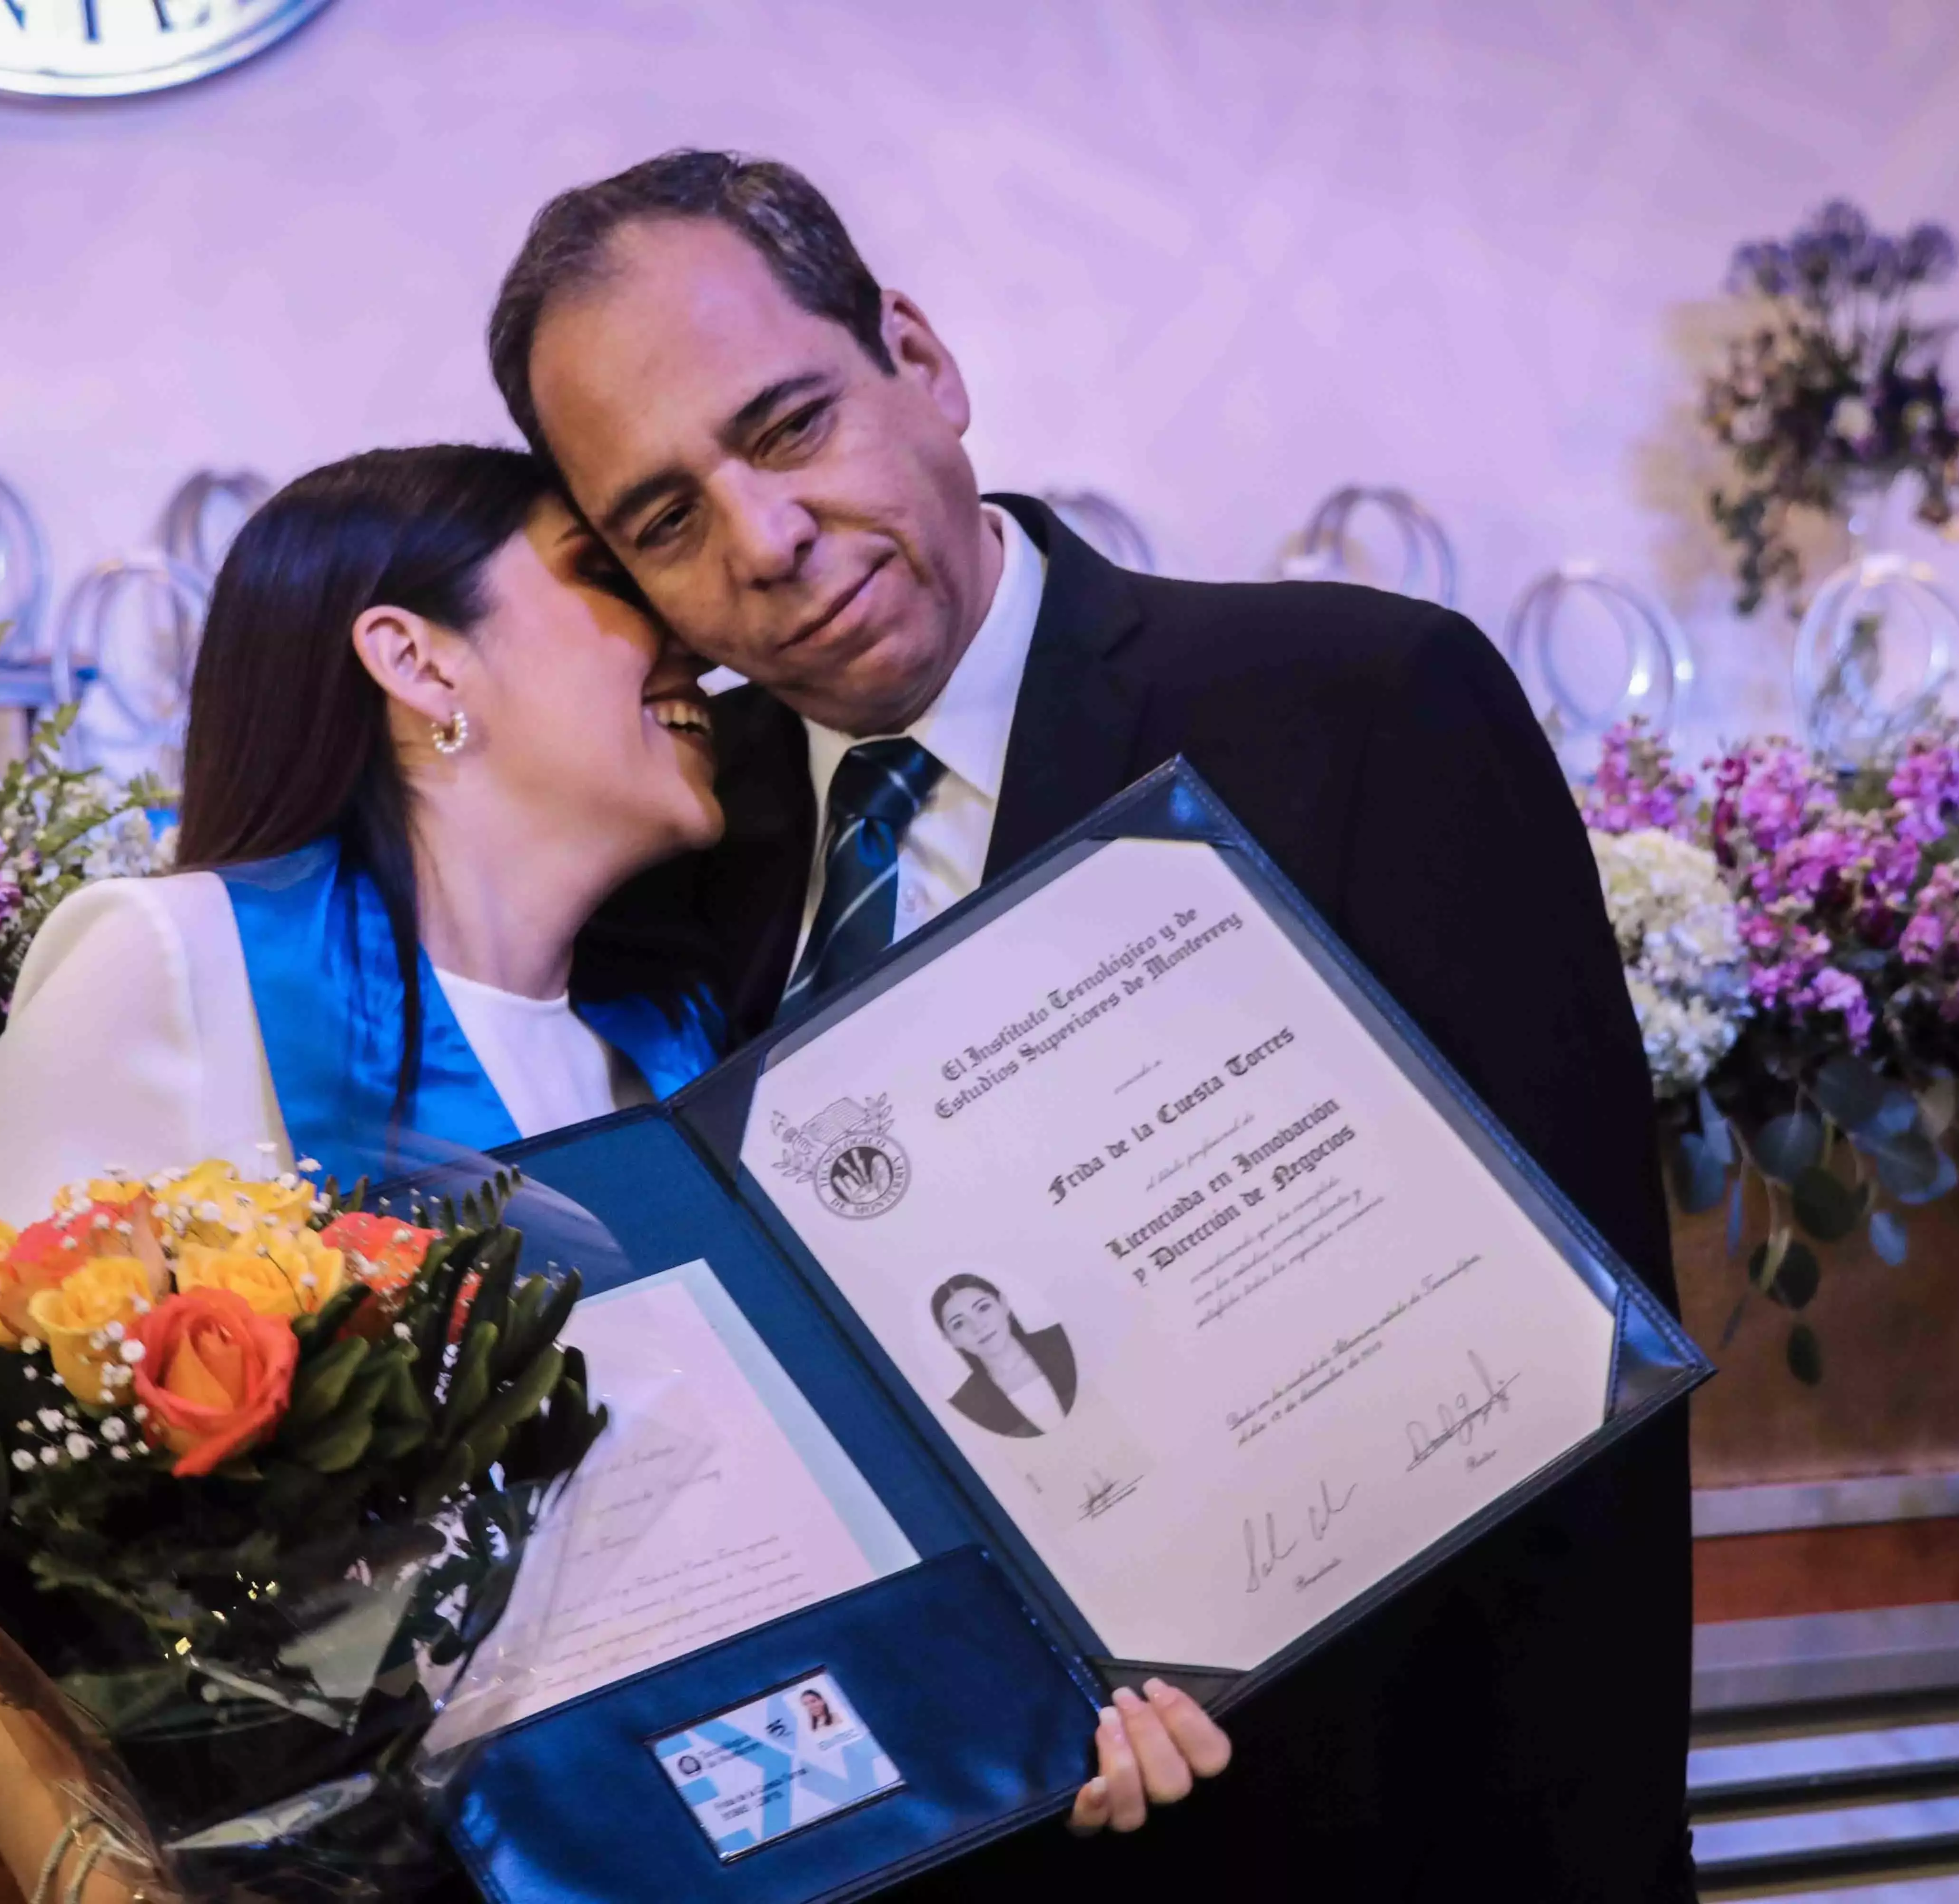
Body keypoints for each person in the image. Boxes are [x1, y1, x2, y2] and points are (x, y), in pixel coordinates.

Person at [493, 152, 1692, 1897]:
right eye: (664, 517)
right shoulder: (671, 865)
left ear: (920, 358)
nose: (765, 538)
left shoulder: (1357, 711)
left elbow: (1582, 1399)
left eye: (790, 423)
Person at [0, 445, 1217, 1897]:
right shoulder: (176, 957)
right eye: (606, 576)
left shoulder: (682, 1047)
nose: (685, 630)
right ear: (414, 659)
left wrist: (1032, 1728)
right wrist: (89, 1873)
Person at [931, 1273, 1078, 1438]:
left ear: (1003, 1304)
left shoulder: (1064, 1342)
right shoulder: (965, 1404)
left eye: (983, 1308)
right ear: (950, 1340)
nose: (978, 1326)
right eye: (959, 1324)